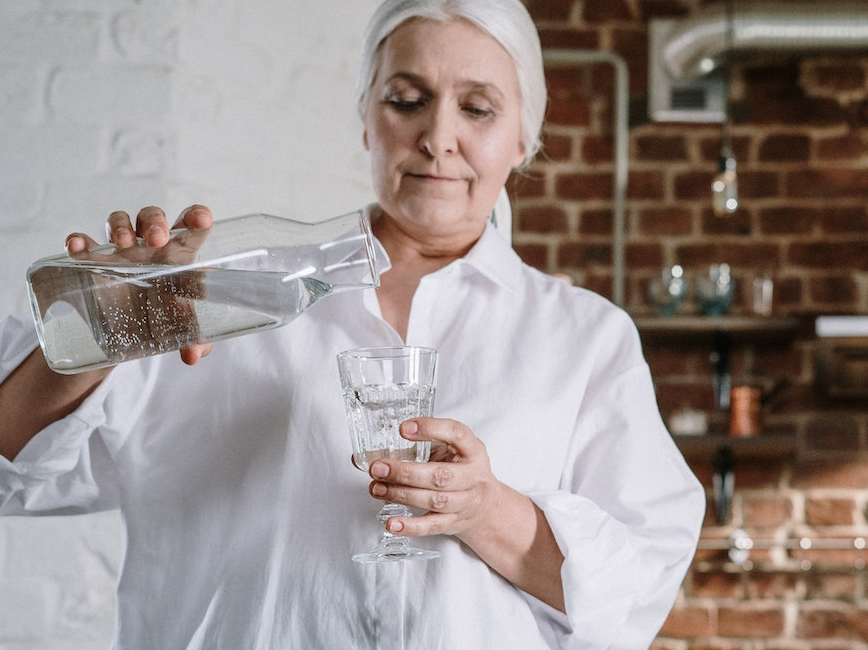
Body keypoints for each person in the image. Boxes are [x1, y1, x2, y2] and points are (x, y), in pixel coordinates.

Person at [0, 0, 705, 648]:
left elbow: (636, 592)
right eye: (408, 100)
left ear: (525, 137)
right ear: (366, 115)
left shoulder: (583, 338)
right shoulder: (211, 293)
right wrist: (104, 333)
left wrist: (484, 510)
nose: (438, 137)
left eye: (479, 109)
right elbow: (13, 475)